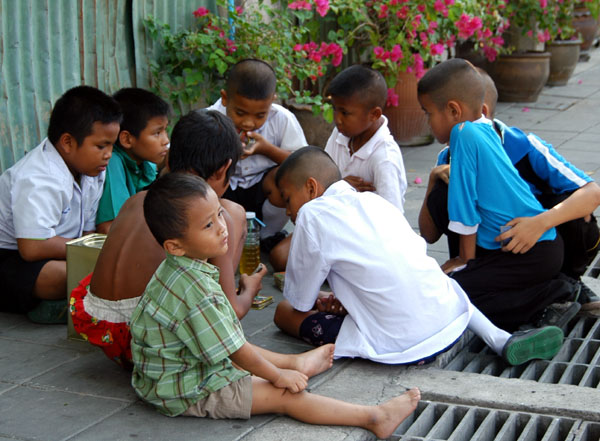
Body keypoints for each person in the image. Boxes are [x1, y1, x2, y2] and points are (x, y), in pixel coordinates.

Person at [131, 172, 421, 439]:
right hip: (187, 390)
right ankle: (374, 417)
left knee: (233, 343)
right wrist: (277, 377)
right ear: (175, 246)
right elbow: (234, 351)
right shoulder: (194, 289)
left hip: (176, 371)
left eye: (219, 214)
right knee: (283, 396)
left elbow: (226, 343)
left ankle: (295, 362)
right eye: (208, 225)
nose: (222, 228)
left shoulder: (180, 269)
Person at [273, 147, 564, 366]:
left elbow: (300, 301)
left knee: (283, 312)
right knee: (440, 281)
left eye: (287, 199)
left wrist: (316, 300)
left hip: (403, 346)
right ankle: (501, 339)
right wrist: (343, 300)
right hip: (448, 322)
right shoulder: (374, 202)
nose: (288, 211)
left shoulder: (313, 213)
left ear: (311, 187)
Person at [70, 110, 262, 368]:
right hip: (150, 342)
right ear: (224, 168)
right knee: (233, 213)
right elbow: (234, 311)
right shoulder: (221, 216)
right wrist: (249, 289)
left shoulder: (137, 200)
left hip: (102, 331)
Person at [419, 67, 600, 311]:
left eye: (428, 114)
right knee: (443, 193)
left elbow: (593, 193)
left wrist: (539, 223)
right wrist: (432, 180)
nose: (427, 123)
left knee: (576, 207)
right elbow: (429, 235)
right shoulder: (449, 156)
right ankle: (545, 296)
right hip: (494, 252)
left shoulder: (525, 145)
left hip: (542, 246)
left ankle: (568, 281)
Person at [0, 85, 122, 323]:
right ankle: (59, 303)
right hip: (11, 258)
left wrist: (92, 250)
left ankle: (67, 302)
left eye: (112, 145)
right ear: (67, 142)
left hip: (62, 251)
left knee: (99, 269)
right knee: (71, 274)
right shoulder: (38, 177)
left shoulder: (93, 169)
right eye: (101, 146)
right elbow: (32, 247)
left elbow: (88, 230)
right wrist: (93, 252)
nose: (108, 154)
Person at [207, 58, 307, 269]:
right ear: (225, 99)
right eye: (240, 113)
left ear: (272, 101)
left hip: (263, 191)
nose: (249, 122)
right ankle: (219, 239)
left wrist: (265, 149)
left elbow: (304, 164)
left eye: (260, 115)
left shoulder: (283, 119)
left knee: (288, 178)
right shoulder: (211, 118)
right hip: (227, 190)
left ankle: (268, 235)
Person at [324, 64, 407, 212]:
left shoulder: (385, 157)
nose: (337, 119)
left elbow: (392, 219)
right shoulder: (340, 134)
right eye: (335, 109)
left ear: (374, 114)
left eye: (345, 112)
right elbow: (321, 184)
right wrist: (342, 187)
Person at [96, 88, 170, 234]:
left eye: (165, 130)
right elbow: (109, 228)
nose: (166, 140)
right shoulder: (113, 162)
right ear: (127, 139)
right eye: (157, 133)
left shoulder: (145, 162)